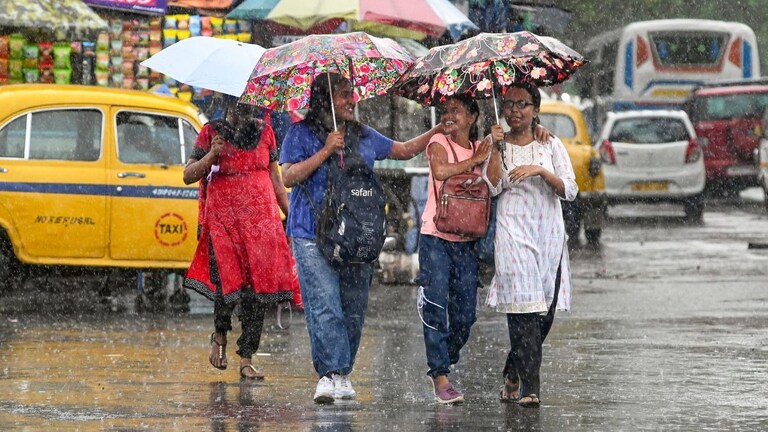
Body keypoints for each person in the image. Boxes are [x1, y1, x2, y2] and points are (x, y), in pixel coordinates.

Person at [280, 72, 445, 404]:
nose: (351, 99)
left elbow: (402, 150)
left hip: (358, 237)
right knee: (325, 305)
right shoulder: (299, 134)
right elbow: (288, 176)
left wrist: (437, 131)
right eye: (343, 94)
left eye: (351, 92)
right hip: (310, 233)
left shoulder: (363, 135)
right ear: (324, 99)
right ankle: (330, 374)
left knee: (353, 309)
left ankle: (342, 371)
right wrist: (327, 149)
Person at [182, 96, 294, 380]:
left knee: (257, 293)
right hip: (224, 223)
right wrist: (211, 156)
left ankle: (247, 357)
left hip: (261, 224)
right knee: (227, 285)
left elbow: (277, 182)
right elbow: (187, 175)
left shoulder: (266, 132)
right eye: (239, 104)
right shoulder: (211, 132)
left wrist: (292, 218)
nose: (245, 111)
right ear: (227, 103)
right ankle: (219, 335)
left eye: (249, 104)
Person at [484, 83, 577, 407]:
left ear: (535, 109)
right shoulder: (496, 143)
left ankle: (513, 369)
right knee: (522, 309)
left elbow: (569, 189)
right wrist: (495, 148)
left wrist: (540, 170)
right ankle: (531, 388)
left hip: (547, 233)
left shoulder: (549, 144)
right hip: (512, 233)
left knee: (544, 313)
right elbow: (493, 186)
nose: (513, 111)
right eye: (508, 104)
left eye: (521, 104)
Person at [416, 94, 505, 404]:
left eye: (456, 110)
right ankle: (439, 374)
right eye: (446, 110)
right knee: (436, 306)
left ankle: (444, 358)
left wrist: (493, 148)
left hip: (467, 239)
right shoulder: (439, 140)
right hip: (435, 237)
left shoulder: (481, 146)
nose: (448, 115)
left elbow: (494, 182)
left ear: (472, 117)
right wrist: (473, 161)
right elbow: (440, 171)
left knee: (466, 314)